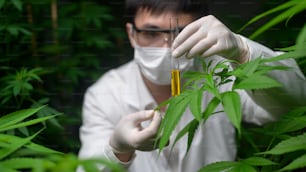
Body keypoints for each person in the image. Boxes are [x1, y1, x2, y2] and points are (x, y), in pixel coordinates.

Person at [78, 0, 306, 171]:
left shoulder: (221, 72)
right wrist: (118, 150)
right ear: (131, 33)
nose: (168, 46)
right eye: (151, 32)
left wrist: (243, 51)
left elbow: (296, 103)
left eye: (181, 32)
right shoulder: (105, 93)